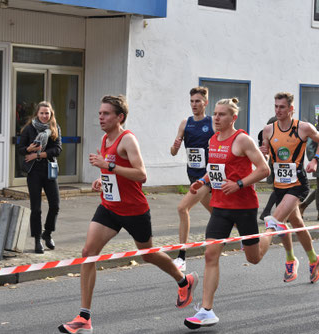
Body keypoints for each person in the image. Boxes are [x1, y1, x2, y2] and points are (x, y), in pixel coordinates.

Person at [59, 95, 197, 334]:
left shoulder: (128, 140)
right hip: (110, 208)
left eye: (106, 114)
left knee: (149, 255)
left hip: (134, 210)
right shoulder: (105, 139)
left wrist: (108, 166)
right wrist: (102, 180)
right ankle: (84, 317)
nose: (100, 117)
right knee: (88, 254)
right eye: (100, 113)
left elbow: (141, 174)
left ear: (119, 117)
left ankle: (184, 281)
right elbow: (112, 172)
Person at [184, 98, 272, 329]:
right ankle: (206, 311)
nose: (216, 118)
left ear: (233, 118)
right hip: (221, 207)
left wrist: (240, 184)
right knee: (210, 255)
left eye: (222, 114)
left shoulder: (242, 139)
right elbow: (214, 169)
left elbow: (264, 169)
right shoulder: (213, 140)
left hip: (244, 207)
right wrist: (201, 182)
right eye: (215, 113)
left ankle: (272, 230)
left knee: (253, 259)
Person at [260, 92, 319, 283]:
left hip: (298, 184)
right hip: (279, 185)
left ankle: (289, 259)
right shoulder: (268, 130)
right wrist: (262, 153)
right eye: (276, 106)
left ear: (291, 109)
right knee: (296, 223)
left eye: (282, 107)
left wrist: (315, 160)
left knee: (274, 220)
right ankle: (314, 259)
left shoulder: (303, 128)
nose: (278, 110)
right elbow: (265, 156)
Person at [171, 87, 214, 271]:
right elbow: (173, 152)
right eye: (191, 101)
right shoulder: (185, 123)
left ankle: (181, 256)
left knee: (182, 208)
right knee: (218, 212)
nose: (194, 105)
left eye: (198, 101)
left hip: (208, 176)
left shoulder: (212, 122)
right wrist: (175, 146)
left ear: (205, 103)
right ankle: (245, 236)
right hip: (193, 175)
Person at [18, 101, 62, 254]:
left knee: (55, 205)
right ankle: (37, 239)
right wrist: (28, 149)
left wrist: (38, 154)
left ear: (51, 115)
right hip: (34, 172)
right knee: (36, 208)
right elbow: (21, 149)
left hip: (49, 170)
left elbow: (57, 149)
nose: (44, 116)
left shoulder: (55, 129)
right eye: (42, 113)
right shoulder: (29, 129)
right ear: (37, 113)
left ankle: (47, 233)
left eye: (47, 113)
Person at [258, 116, 278, 221]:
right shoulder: (268, 133)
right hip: (275, 163)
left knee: (281, 189)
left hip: (278, 164)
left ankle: (279, 213)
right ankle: (267, 211)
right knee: (279, 189)